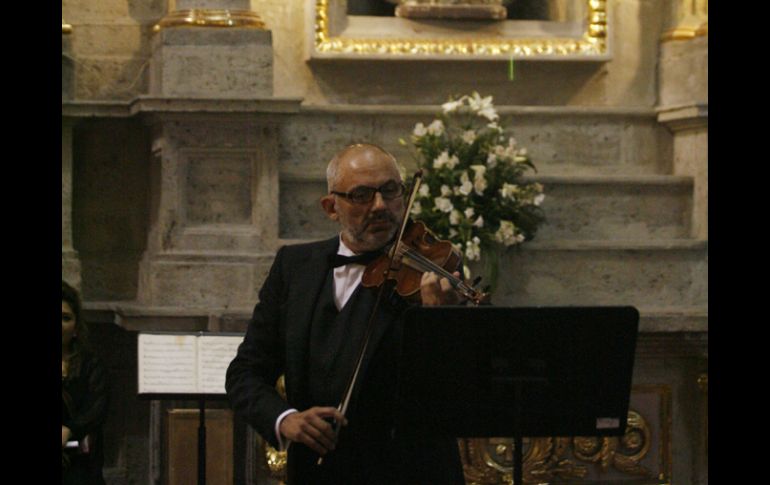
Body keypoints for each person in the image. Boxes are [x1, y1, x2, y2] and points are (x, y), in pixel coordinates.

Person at [226, 143, 466, 484]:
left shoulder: (435, 276)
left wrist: (438, 325)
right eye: (362, 195)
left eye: (390, 191)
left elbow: (461, 389)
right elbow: (245, 373)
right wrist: (285, 418)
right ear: (331, 207)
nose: (380, 205)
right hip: (316, 472)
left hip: (411, 473)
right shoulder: (294, 267)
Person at [62, 280, 108, 485]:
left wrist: (68, 430)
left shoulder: (91, 365)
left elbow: (96, 409)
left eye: (65, 318)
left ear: (76, 327)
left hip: (79, 462)